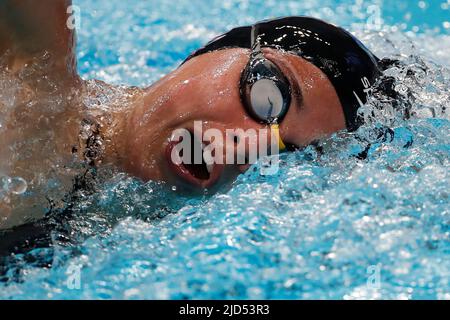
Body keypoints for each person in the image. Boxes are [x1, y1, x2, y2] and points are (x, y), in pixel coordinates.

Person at [0, 0, 381, 230]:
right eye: (268, 97)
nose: (247, 148)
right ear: (210, 49)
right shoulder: (32, 95)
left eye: (285, 155)